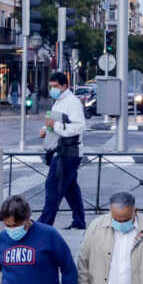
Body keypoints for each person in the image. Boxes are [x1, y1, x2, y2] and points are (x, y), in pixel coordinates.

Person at [38, 70, 87, 231]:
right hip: (61, 151)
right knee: (71, 189)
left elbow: (79, 126)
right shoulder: (58, 101)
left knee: (53, 187)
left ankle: (43, 226)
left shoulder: (72, 102)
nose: (52, 89)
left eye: (55, 86)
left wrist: (54, 126)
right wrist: (46, 129)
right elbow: (54, 121)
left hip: (68, 152)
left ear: (64, 86)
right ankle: (79, 221)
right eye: (51, 86)